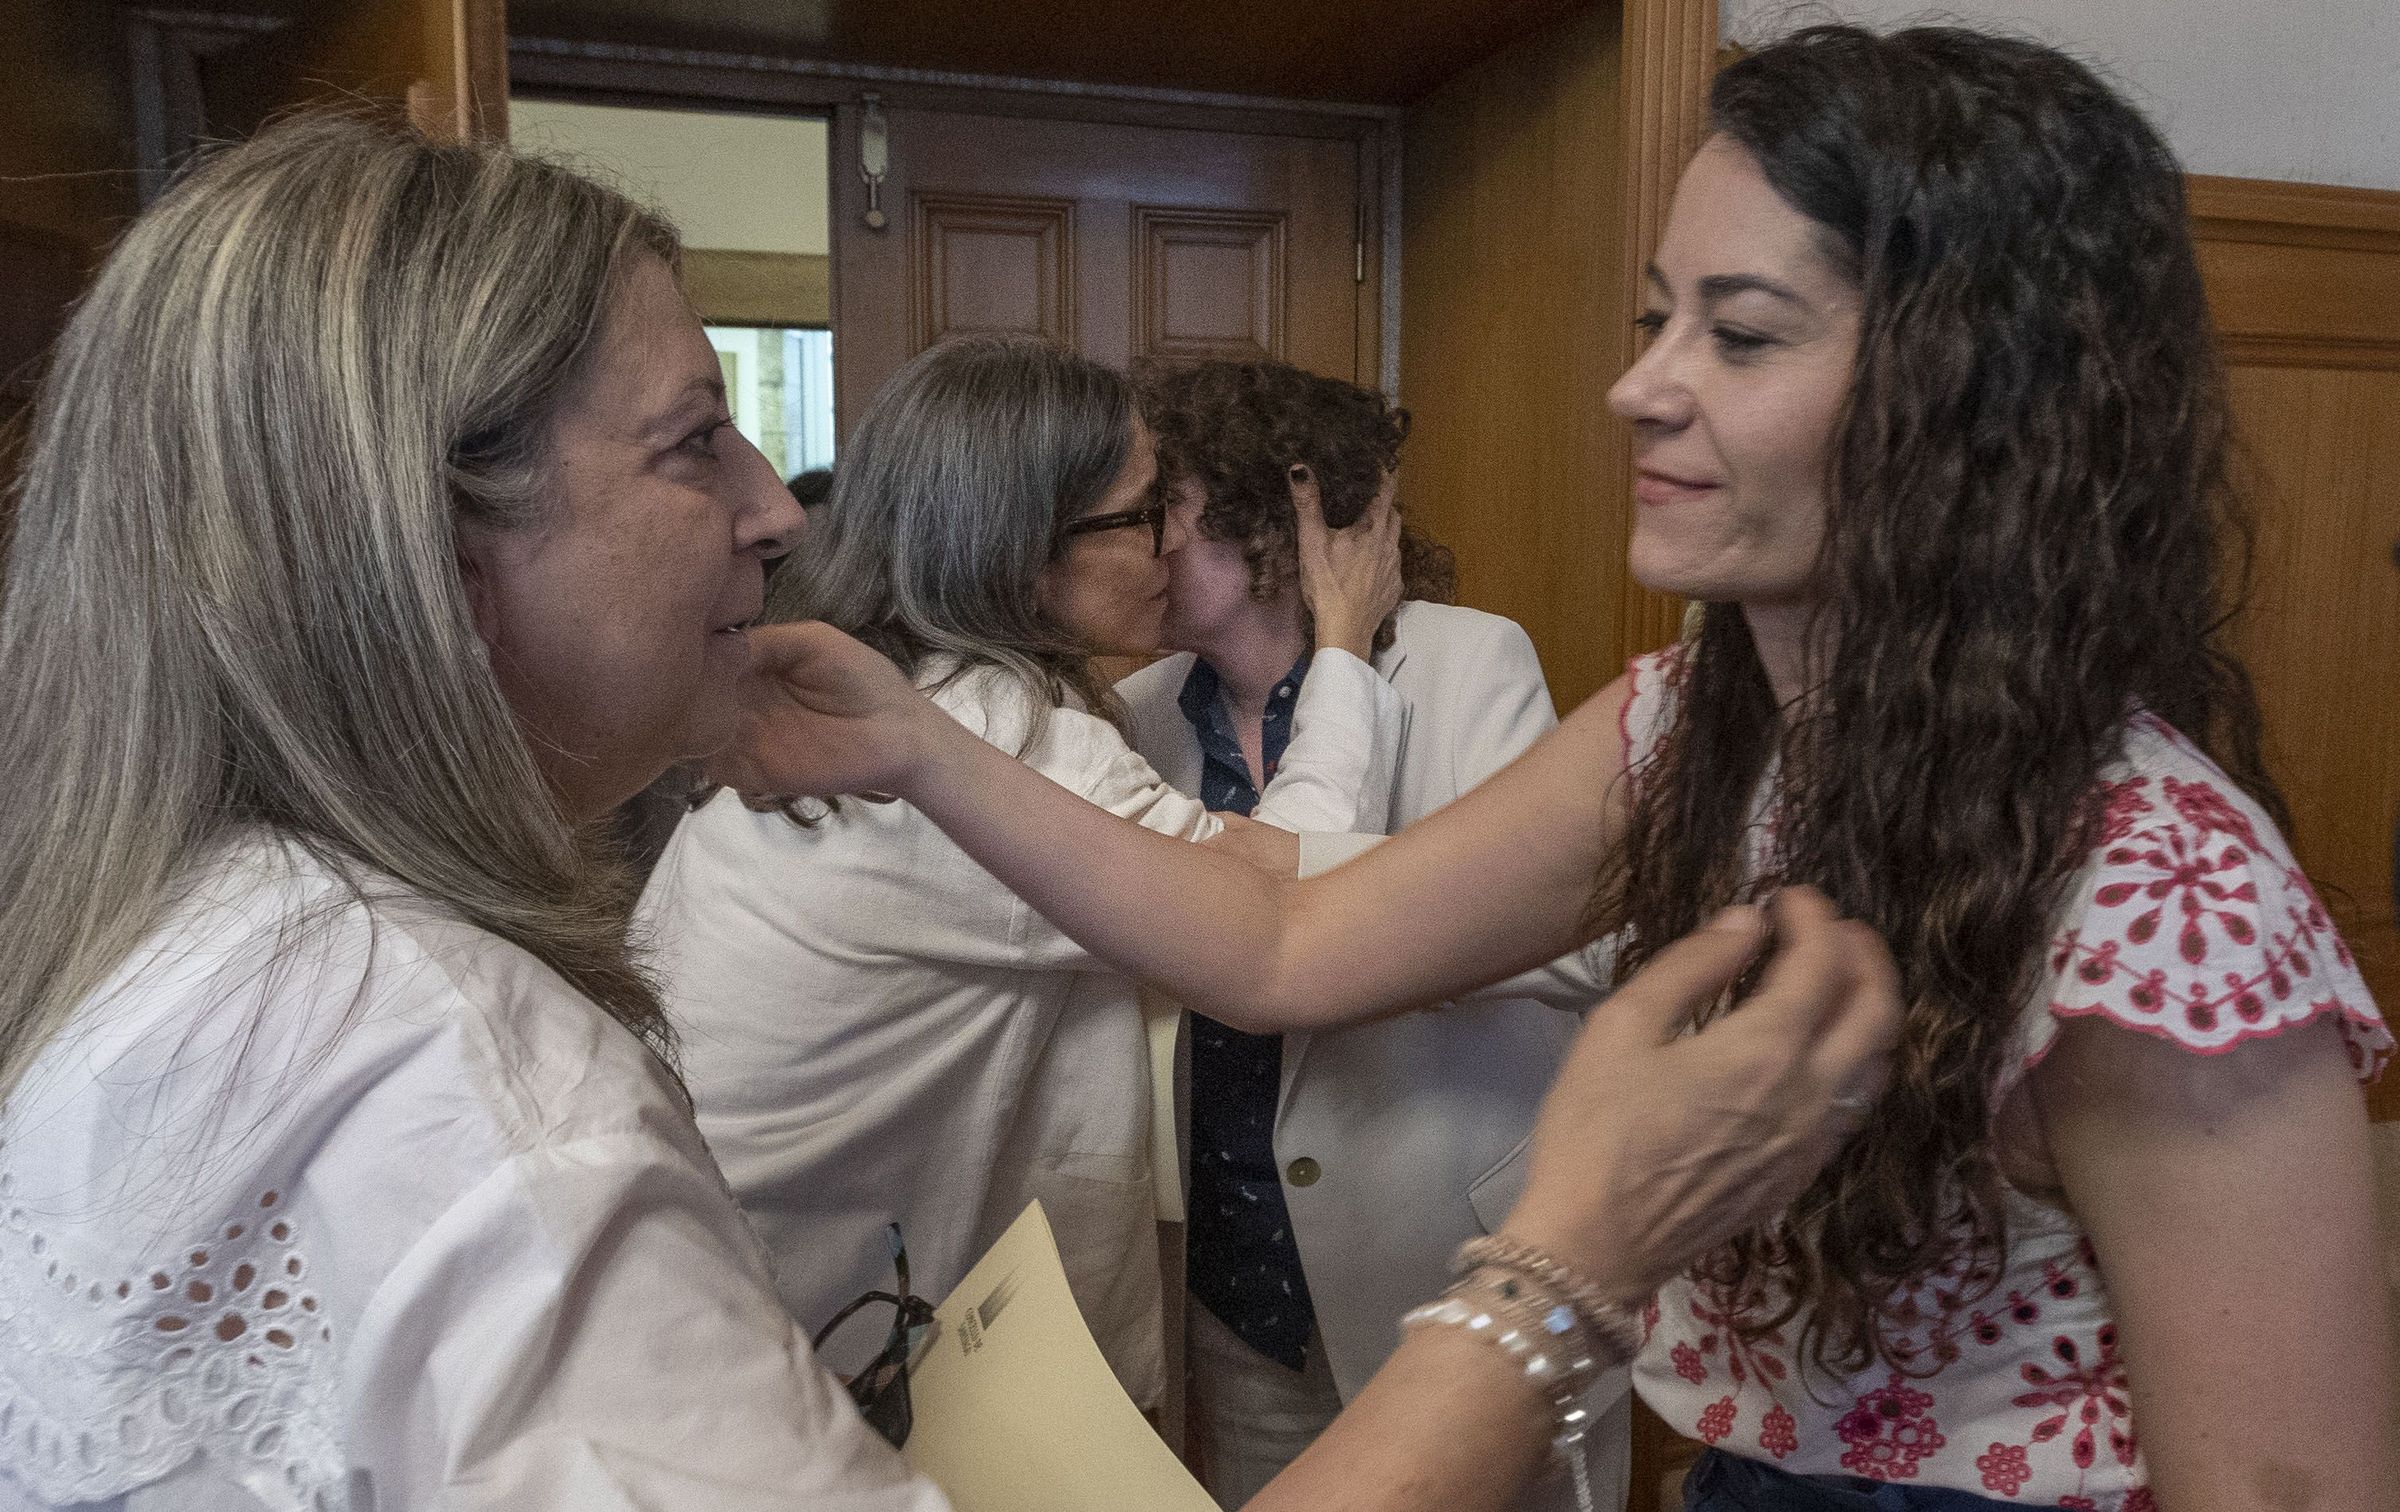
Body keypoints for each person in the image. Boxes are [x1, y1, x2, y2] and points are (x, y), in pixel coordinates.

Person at [709, 25, 2394, 1512]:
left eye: (1740, 337)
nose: (1637, 388)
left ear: (1970, 403)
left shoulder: (2164, 895)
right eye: (1658, 320)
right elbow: (1285, 939)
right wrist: (918, 748)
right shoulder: (1688, 722)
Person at [634, 331, 1411, 1409]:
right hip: (764, 1337)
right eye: (1146, 512)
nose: (1175, 540)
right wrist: (1343, 644)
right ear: (1024, 550)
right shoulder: (994, 732)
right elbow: (1284, 905)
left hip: (726, 1278)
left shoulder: (907, 685)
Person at [1122, 357, 1624, 1509]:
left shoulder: (1467, 660)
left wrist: (1322, 916)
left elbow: (1581, 939)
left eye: (1165, 508)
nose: (1141, 544)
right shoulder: (1137, 715)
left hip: (1452, 1260)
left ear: (1274, 516)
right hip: (1242, 1299)